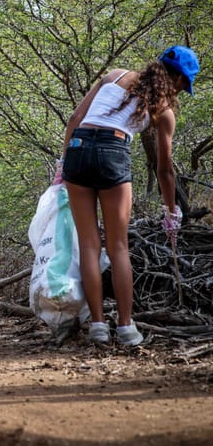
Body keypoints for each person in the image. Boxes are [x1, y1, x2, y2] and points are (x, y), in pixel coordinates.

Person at [56, 45, 200, 346]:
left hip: (78, 150)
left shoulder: (114, 75)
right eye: (183, 85)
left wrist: (62, 164)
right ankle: (125, 327)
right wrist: (171, 210)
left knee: (89, 244)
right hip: (113, 151)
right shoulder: (164, 110)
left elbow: (74, 119)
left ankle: (97, 326)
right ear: (177, 80)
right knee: (118, 246)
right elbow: (164, 171)